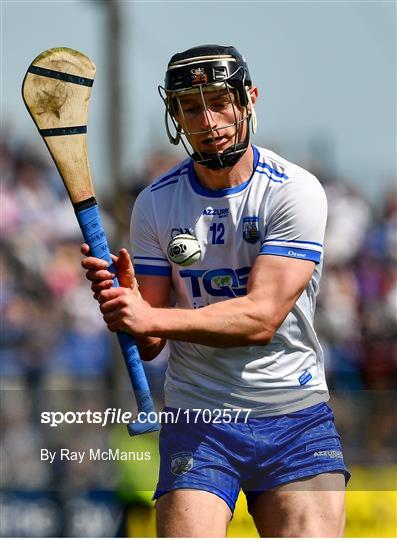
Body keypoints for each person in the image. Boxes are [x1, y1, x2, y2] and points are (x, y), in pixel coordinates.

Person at [82, 44, 350, 537]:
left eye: (219, 101)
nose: (207, 119)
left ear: (249, 99)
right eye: (189, 106)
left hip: (293, 416)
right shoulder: (156, 204)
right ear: (176, 116)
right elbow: (152, 343)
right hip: (198, 418)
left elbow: (260, 319)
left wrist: (152, 317)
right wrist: (127, 305)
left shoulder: (294, 190)